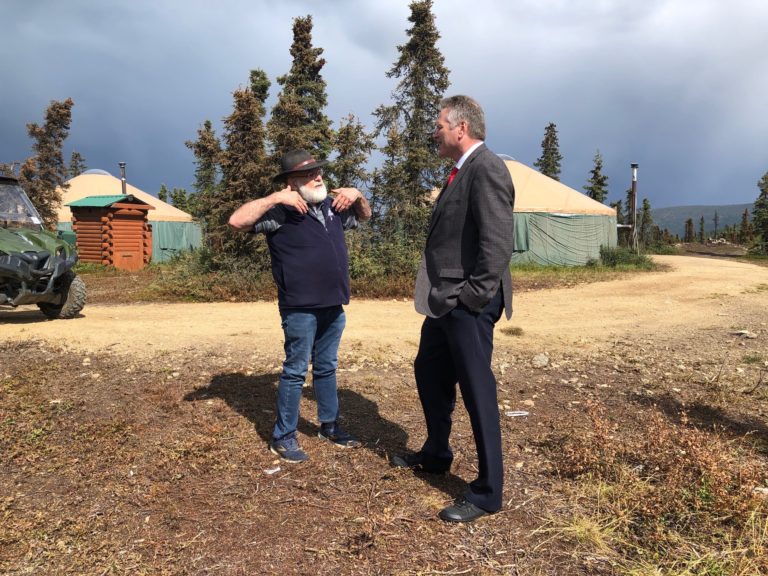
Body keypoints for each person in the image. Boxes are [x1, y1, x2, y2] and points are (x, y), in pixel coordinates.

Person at [392, 95, 515, 523]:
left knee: (477, 390)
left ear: (460, 128)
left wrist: (472, 298)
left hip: (467, 304)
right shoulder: (461, 171)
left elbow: (498, 243)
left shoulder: (488, 168)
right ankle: (437, 452)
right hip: (443, 302)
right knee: (429, 371)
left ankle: (487, 492)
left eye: (439, 125)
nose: (435, 132)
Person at [228, 149, 372, 463]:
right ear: (291, 183)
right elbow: (236, 221)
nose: (318, 177)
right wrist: (275, 198)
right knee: (295, 372)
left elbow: (365, 216)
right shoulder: (280, 212)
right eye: (308, 174)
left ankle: (329, 426)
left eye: (318, 172)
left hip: (334, 305)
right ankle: (283, 437)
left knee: (326, 368)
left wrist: (358, 195)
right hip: (299, 308)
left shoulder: (334, 208)